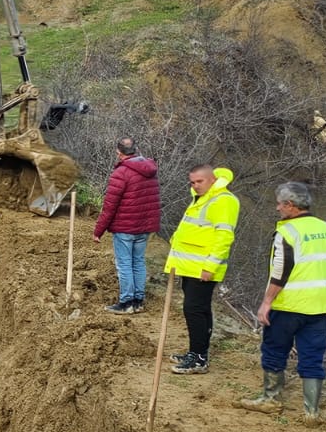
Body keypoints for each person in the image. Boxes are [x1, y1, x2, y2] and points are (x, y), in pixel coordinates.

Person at [240, 182, 326, 418]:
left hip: (288, 305)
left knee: (274, 350)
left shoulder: (286, 232)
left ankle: (271, 398)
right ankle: (311, 412)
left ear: (290, 205)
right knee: (313, 356)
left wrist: (266, 303)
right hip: (320, 305)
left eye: (280, 204)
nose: (277, 209)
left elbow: (280, 272)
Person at [163, 165, 240, 375]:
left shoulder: (223, 200)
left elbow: (224, 237)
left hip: (203, 267)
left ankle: (198, 358)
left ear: (213, 180)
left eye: (200, 181)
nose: (195, 186)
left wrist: (210, 266)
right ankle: (196, 352)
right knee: (199, 308)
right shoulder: (202, 198)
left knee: (194, 309)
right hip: (190, 264)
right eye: (192, 182)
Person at [91, 137, 161, 314]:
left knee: (124, 265)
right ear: (136, 150)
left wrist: (98, 231)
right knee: (138, 262)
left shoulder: (121, 173)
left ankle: (126, 302)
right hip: (144, 226)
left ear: (119, 152)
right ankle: (138, 301)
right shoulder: (151, 170)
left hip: (125, 227)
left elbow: (110, 206)